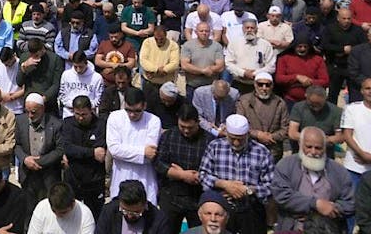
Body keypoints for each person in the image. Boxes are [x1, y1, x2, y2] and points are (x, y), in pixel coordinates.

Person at [199, 114, 274, 234]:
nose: (236, 143)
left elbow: (271, 185)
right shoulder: (215, 147)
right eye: (232, 138)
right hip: (221, 210)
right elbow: (203, 175)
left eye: (240, 139)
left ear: (247, 135)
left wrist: (247, 190)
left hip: (251, 210)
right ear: (226, 133)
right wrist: (224, 185)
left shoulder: (261, 152)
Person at [271, 127, 354, 233]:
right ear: (301, 145)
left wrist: (332, 208)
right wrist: (315, 204)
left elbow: (350, 203)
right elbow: (281, 195)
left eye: (318, 148)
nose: (313, 152)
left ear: (325, 148)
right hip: (293, 227)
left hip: (327, 228)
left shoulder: (338, 171)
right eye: (309, 147)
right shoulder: (285, 165)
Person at [155, 105, 212, 234]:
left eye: (190, 128)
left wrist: (197, 176)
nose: (186, 131)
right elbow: (159, 163)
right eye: (182, 127)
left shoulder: (209, 140)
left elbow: (213, 170)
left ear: (197, 122)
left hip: (198, 198)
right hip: (171, 196)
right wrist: (181, 175)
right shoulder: (169, 136)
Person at [106, 87, 161, 204]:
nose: (132, 115)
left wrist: (125, 152)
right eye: (128, 110)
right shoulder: (114, 117)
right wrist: (142, 152)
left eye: (137, 111)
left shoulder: (154, 121)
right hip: (121, 175)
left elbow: (150, 155)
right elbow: (114, 150)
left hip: (145, 177)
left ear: (144, 106)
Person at [59, 95, 106, 218]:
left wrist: (78, 153)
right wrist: (91, 153)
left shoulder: (101, 125)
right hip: (73, 178)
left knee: (96, 215)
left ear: (91, 110)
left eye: (84, 114)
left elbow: (101, 152)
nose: (80, 118)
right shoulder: (67, 124)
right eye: (77, 114)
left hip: (94, 179)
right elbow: (67, 148)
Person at [15, 93, 64, 202]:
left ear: (42, 109)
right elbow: (17, 145)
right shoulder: (20, 121)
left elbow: (59, 149)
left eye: (33, 112)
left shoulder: (55, 124)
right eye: (27, 111)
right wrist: (25, 159)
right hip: (27, 175)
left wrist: (39, 162)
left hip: (48, 175)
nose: (30, 115)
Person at [235, 72, 288, 161]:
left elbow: (286, 128)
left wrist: (271, 137)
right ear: (255, 85)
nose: (264, 88)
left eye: (267, 85)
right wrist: (258, 135)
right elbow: (239, 125)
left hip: (273, 150)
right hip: (249, 148)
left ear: (272, 86)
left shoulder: (280, 103)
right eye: (260, 85)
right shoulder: (244, 101)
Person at [320, 8, 367, 105]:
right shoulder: (330, 29)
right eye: (344, 18)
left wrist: (351, 50)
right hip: (335, 65)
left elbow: (364, 46)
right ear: (338, 18)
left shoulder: (357, 30)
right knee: (333, 94)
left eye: (349, 18)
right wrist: (342, 49)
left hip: (352, 67)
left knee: (355, 95)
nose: (346, 21)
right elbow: (325, 45)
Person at [286, 85, 343, 158]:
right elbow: (292, 133)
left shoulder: (336, 111)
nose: (316, 107)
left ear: (325, 99)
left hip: (325, 154)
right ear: (306, 97)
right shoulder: (298, 108)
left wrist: (323, 140)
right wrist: (314, 140)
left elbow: (340, 137)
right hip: (301, 152)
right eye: (312, 104)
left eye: (319, 104)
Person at [275, 31, 329, 106]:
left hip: (313, 101)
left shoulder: (318, 59)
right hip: (290, 100)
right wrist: (297, 77)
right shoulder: (284, 58)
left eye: (305, 47)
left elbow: (325, 81)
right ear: (294, 46)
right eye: (299, 47)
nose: (302, 49)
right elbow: (279, 78)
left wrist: (310, 82)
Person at [94, 180, 169, 234]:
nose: (129, 216)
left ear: (145, 205)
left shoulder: (159, 220)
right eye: (125, 211)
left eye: (136, 213)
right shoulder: (109, 211)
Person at [224, 19, 275, 94]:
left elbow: (271, 66)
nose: (249, 30)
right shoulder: (234, 44)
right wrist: (243, 73)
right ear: (242, 29)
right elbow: (228, 64)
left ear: (257, 29)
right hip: (238, 83)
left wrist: (255, 73)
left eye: (252, 28)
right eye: (247, 28)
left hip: (258, 85)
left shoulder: (265, 45)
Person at [27, 182, 95, 234]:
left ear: (73, 204)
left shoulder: (85, 215)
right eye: (54, 211)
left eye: (63, 212)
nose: (58, 215)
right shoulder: (42, 207)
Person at [139, 26, 180, 109]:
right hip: (150, 83)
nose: (159, 41)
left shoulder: (173, 45)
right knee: (148, 108)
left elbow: (175, 63)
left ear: (166, 36)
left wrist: (163, 70)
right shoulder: (147, 42)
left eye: (161, 39)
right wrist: (157, 70)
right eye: (156, 39)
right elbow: (143, 60)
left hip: (166, 83)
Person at [57, 50, 103, 119]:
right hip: (69, 114)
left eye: (81, 67)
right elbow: (62, 95)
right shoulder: (66, 75)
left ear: (86, 63)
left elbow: (98, 99)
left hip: (89, 115)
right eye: (75, 67)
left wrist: (85, 108)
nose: (78, 70)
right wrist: (74, 107)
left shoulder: (97, 78)